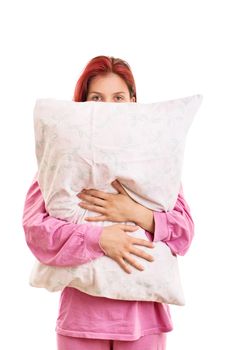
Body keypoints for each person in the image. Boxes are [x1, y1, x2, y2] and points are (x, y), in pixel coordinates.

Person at [22, 55, 194, 350]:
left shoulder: (154, 165)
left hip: (144, 319)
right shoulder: (61, 164)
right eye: (97, 98)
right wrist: (99, 238)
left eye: (118, 97)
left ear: (133, 102)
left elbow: (184, 234)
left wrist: (136, 213)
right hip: (81, 321)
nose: (109, 107)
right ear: (84, 106)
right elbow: (37, 231)